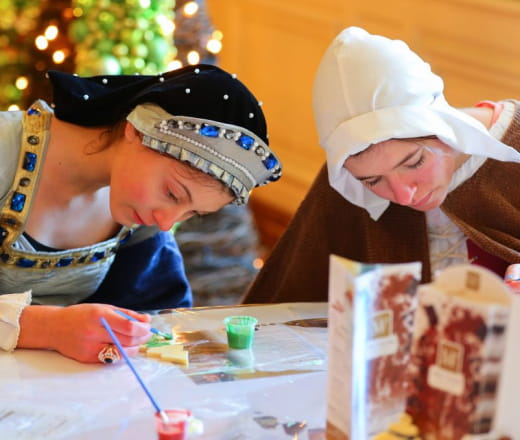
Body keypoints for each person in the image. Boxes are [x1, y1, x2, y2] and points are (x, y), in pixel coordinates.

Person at [0, 64, 282, 363]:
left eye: (192, 213)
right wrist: (48, 328)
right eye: (173, 193)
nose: (166, 222)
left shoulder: (137, 218)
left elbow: (156, 318)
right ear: (135, 129)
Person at [242, 26, 519, 304]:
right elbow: (287, 302)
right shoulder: (348, 180)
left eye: (413, 162)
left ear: (445, 127)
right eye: (373, 181)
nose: (403, 196)